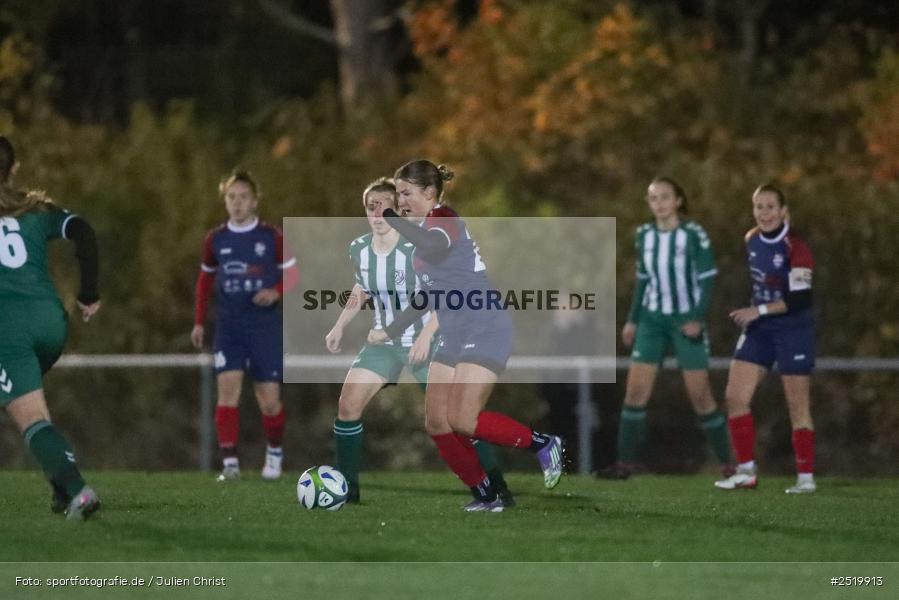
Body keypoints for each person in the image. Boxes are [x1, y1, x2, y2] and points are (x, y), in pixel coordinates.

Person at [369, 159, 563, 512]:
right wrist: (391, 331)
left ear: (429, 193)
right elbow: (428, 294)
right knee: (437, 423)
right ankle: (488, 495)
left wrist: (392, 218)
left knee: (462, 419)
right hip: (456, 332)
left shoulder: (444, 218)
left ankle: (543, 444)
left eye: (406, 193)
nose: (399, 201)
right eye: (398, 195)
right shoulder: (424, 230)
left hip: (484, 325)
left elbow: (433, 247)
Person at [325, 177, 512, 505]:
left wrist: (426, 335)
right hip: (384, 342)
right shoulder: (359, 249)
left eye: (385, 207)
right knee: (347, 406)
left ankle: (496, 487)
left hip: (430, 342)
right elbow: (362, 288)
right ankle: (347, 491)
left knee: (456, 421)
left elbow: (443, 291)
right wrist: (339, 326)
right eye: (371, 208)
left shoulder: (419, 246)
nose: (377, 214)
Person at [600, 177, 733, 479]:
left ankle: (730, 464)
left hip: (685, 319)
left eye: (664, 197)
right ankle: (624, 465)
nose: (658, 203)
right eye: (653, 198)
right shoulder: (644, 234)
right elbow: (644, 279)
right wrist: (633, 319)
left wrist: (697, 318)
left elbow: (707, 277)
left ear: (677, 201)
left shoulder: (693, 234)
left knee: (700, 396)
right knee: (635, 393)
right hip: (652, 320)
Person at [0, 135, 101, 520]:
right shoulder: (34, 208)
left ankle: (78, 491)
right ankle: (61, 489)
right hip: (49, 320)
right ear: (13, 169)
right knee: (34, 408)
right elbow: (84, 233)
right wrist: (88, 293)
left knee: (30, 418)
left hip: (7, 326)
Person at [191, 169, 299, 481]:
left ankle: (275, 453)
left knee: (269, 401)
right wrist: (199, 322)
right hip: (230, 327)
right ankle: (230, 465)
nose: (237, 203)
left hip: (264, 327)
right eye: (231, 197)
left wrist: (274, 291)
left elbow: (292, 275)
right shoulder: (216, 239)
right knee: (227, 393)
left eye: (243, 197)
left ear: (254, 202)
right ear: (225, 201)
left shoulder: (272, 236)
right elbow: (204, 281)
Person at [715, 184, 817, 494]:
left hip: (792, 329)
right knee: (735, 396)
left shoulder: (796, 247)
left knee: (796, 406)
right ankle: (746, 471)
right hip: (760, 329)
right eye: (759, 207)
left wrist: (757, 310)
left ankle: (805, 478)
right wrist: (756, 314)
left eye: (770, 206)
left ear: (784, 211)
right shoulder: (752, 240)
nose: (764, 213)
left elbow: (799, 300)